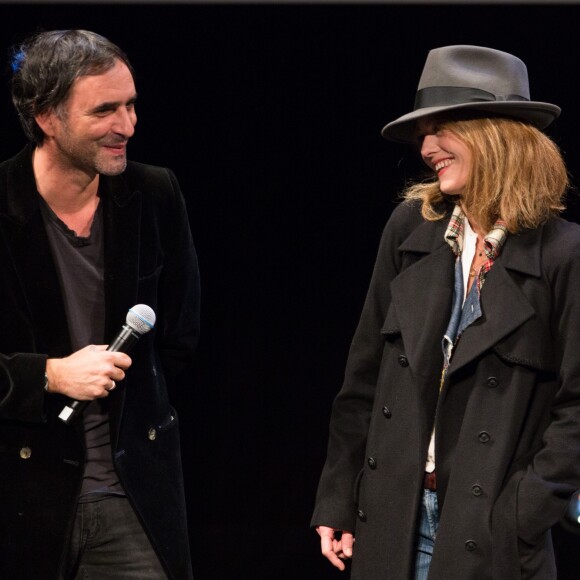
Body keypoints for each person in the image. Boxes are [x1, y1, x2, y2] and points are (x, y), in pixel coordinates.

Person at [312, 45, 580, 579]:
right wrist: (339, 498)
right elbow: (363, 379)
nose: (427, 147)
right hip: (390, 519)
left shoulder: (563, 253)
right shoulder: (410, 230)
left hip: (489, 532)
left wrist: (524, 510)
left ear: (497, 134)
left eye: (443, 128)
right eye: (423, 133)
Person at [0, 30, 199, 579]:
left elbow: (180, 337)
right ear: (46, 117)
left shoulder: (156, 194)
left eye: (131, 104)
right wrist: (49, 375)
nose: (127, 126)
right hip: (20, 498)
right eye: (105, 110)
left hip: (129, 498)